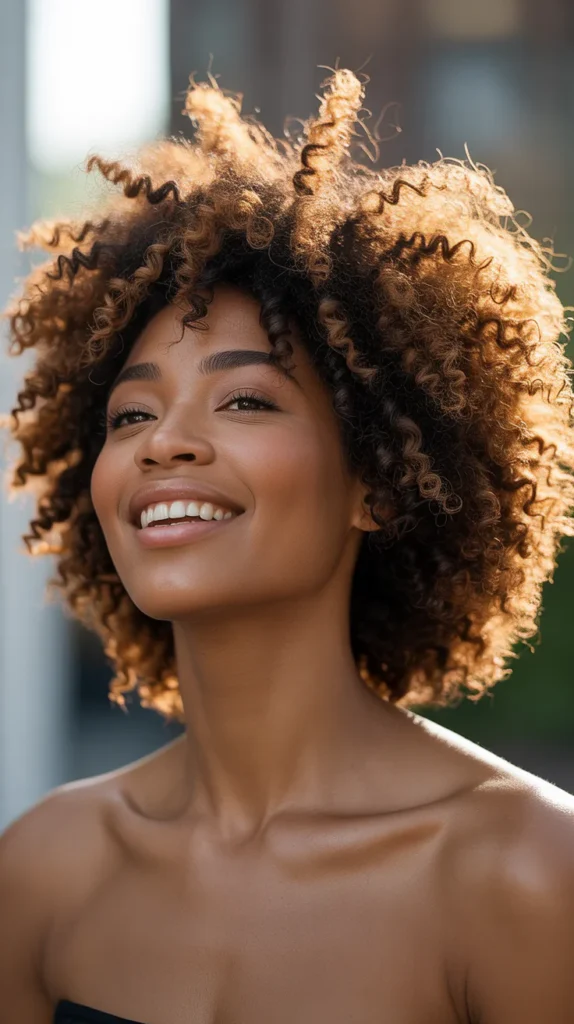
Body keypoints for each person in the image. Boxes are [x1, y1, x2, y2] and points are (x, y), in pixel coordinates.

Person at [1, 67, 574, 1024]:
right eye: (130, 413)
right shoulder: (47, 871)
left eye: (246, 399)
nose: (164, 442)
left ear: (380, 482)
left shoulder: (522, 875)